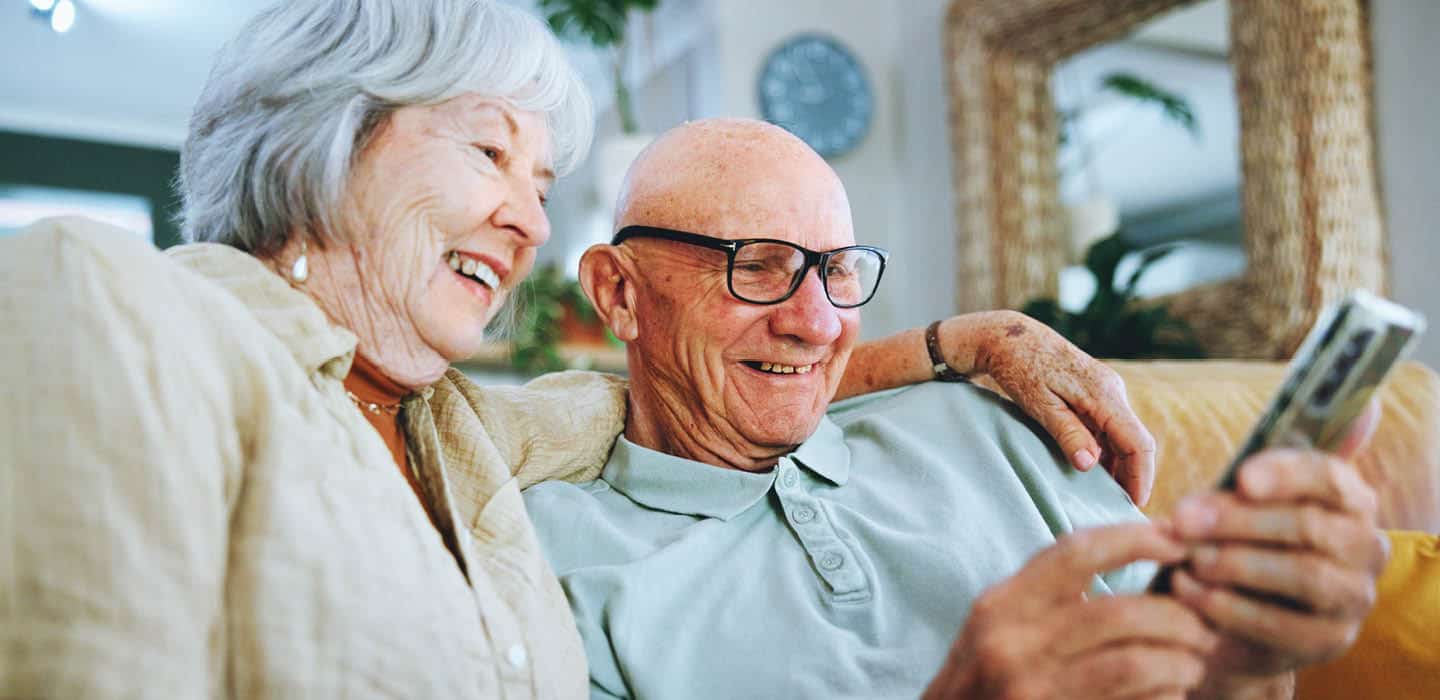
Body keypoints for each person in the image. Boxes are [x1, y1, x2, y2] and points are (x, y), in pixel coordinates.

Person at [0, 1, 1161, 698]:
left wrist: (971, 342)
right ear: (329, 136)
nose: (532, 222)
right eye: (490, 156)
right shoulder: (116, 303)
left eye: (543, 183)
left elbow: (705, 375)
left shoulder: (461, 428)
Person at [522, 118, 1390, 699]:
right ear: (617, 292)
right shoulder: (550, 562)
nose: (816, 322)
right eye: (756, 265)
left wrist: (1256, 652)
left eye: (837, 269)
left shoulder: (991, 424)